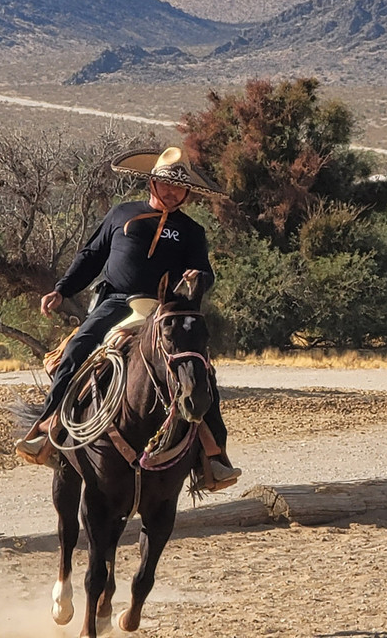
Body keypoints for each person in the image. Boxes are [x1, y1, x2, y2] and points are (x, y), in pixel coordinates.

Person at [15, 146, 240, 490]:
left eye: (180, 187)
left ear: (188, 193)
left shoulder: (192, 231)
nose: (172, 192)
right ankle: (49, 428)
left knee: (199, 369)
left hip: (168, 308)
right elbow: (91, 256)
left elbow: (206, 274)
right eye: (166, 184)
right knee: (76, 352)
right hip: (116, 302)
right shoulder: (122, 215)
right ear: (152, 183)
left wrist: (198, 277)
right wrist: (62, 290)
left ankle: (214, 457)